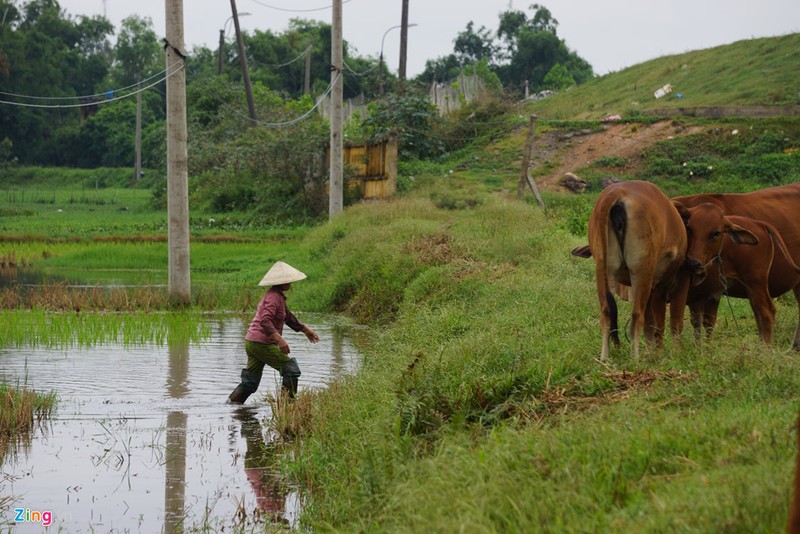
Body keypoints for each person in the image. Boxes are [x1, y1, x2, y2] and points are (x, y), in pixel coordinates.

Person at [228, 261, 319, 404]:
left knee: (249, 384)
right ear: (281, 282)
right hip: (261, 343)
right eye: (288, 280)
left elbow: (288, 317)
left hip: (253, 342)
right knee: (291, 369)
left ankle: (231, 408)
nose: (291, 283)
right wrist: (279, 340)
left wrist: (305, 330)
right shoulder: (273, 297)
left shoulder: (277, 296)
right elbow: (265, 321)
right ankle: (286, 407)